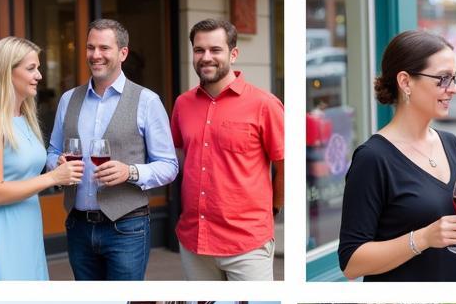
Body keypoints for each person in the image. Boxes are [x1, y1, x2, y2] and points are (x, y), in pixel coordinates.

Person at [47, 19, 178, 281]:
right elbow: (52, 152)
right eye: (90, 47)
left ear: (123, 53)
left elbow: (169, 165)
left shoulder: (147, 101)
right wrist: (56, 164)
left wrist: (130, 171)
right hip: (78, 226)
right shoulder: (68, 99)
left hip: (126, 227)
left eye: (104, 48)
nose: (96, 55)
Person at [339, 30, 456, 280]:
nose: (453, 89)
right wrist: (423, 238)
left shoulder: (450, 143)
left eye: (455, 78)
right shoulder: (373, 158)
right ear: (405, 82)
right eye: (443, 78)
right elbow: (351, 262)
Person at [0, 37, 83, 280]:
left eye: (38, 67)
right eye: (31, 68)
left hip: (25, 227)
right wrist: (53, 177)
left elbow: (24, 170)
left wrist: (57, 166)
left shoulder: (24, 116)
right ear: (7, 72)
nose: (40, 76)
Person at [170, 18, 284, 280]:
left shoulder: (264, 104)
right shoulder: (182, 104)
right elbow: (176, 157)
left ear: (233, 54)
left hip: (246, 246)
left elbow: (285, 166)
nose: (206, 57)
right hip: (194, 242)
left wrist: (274, 208)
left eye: (215, 50)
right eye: (199, 50)